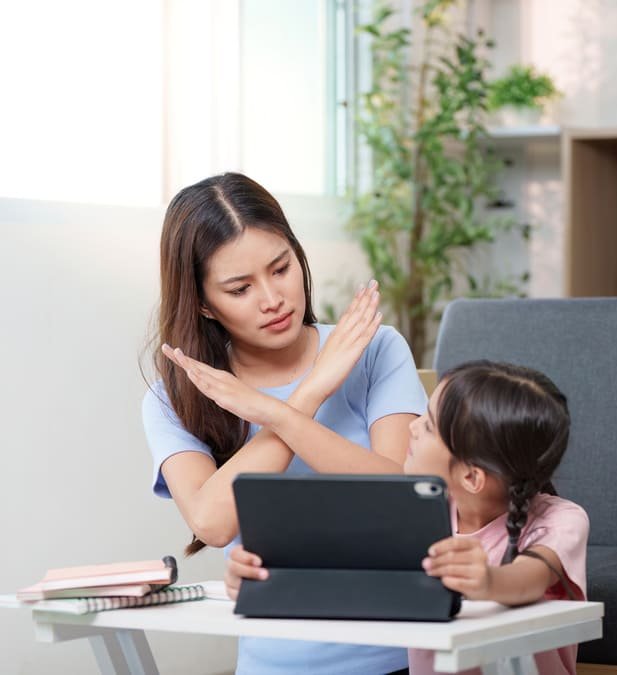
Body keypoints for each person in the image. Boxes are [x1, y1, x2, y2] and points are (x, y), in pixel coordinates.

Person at [142, 172, 427, 675]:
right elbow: (211, 521)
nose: (272, 299)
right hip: (274, 661)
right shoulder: (181, 393)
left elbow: (401, 499)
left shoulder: (375, 349)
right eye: (240, 288)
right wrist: (311, 391)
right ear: (205, 303)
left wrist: (273, 410)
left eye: (281, 268)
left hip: (400, 654)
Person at [404, 360, 589, 675]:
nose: (412, 426)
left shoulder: (559, 520)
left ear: (472, 477)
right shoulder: (416, 513)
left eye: (429, 425)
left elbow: (528, 578)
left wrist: (488, 581)